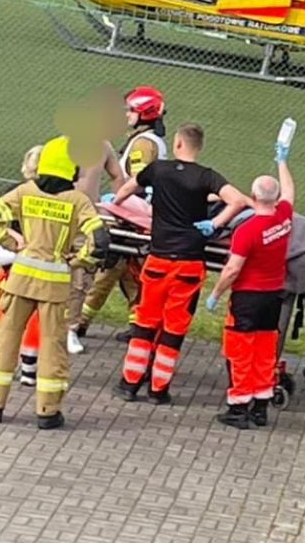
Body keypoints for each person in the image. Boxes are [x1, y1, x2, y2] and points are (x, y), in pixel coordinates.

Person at [0, 136, 110, 430]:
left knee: (6, 340)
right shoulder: (78, 201)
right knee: (52, 347)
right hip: (55, 285)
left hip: (21, 279)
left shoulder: (24, 191)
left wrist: (12, 242)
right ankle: (48, 411)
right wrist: (78, 260)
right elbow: (100, 241)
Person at [113, 122, 248, 404]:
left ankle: (129, 383)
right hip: (188, 264)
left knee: (145, 322)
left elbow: (126, 190)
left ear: (177, 144)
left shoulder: (158, 170)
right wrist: (214, 222)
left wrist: (116, 202)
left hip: (158, 260)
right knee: (174, 329)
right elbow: (235, 200)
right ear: (199, 147)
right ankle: (158, 389)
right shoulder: (205, 177)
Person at [205, 140, 295, 430]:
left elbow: (232, 269)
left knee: (240, 352)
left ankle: (238, 407)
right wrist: (282, 161)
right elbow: (290, 193)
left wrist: (216, 294)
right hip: (273, 296)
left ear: (253, 197)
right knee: (264, 351)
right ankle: (260, 406)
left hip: (247, 298)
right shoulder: (283, 218)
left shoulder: (247, 230)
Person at [77, 86, 167, 343]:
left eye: (131, 111)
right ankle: (138, 322)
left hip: (132, 217)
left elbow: (139, 182)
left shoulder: (142, 144)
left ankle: (79, 322)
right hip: (137, 215)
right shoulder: (151, 141)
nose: (126, 115)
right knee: (128, 272)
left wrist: (119, 204)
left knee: (109, 268)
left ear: (144, 114)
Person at [0, 144, 48, 386]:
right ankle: (30, 370)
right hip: (43, 269)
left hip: (13, 267)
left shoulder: (15, 193)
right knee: (36, 317)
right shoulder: (59, 199)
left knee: (5, 312)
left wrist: (12, 240)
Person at [65, 136, 125, 355]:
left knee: (82, 275)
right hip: (61, 215)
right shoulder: (63, 145)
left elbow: (117, 176)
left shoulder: (104, 146)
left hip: (86, 220)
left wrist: (116, 206)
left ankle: (70, 328)